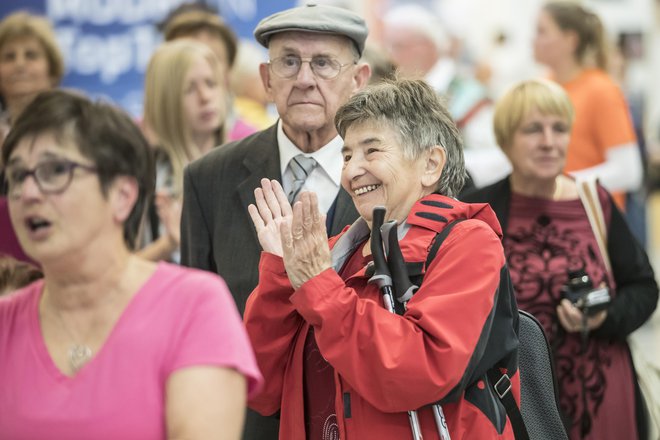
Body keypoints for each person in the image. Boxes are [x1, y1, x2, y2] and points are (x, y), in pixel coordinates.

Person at [244, 78, 520, 439]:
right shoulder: (334, 254)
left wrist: (317, 284)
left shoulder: (468, 243)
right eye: (346, 155)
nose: (351, 171)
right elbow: (261, 388)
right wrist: (283, 272)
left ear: (431, 164)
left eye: (371, 151)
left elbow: (419, 371)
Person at [0, 89, 262, 439]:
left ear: (122, 195)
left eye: (55, 171)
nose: (29, 193)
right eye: (18, 176)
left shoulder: (194, 306)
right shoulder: (7, 322)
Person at [181, 5, 370, 437]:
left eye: (323, 62)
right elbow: (197, 322)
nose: (304, 78)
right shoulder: (209, 177)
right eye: (289, 62)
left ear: (358, 80)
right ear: (267, 80)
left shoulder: (391, 176)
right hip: (248, 422)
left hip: (359, 417)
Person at [462, 79, 658, 439]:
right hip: (519, 400)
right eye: (534, 130)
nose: (549, 142)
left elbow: (644, 288)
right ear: (506, 141)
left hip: (599, 394)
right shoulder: (479, 209)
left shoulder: (593, 201)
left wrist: (604, 316)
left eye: (560, 129)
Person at [381, 3, 510, 189]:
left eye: (397, 46)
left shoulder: (469, 95)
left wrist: (433, 165)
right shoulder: (398, 91)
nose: (389, 56)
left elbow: (498, 157)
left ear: (425, 47)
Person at [533, 1, 642, 210]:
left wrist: (560, 184)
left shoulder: (601, 90)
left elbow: (629, 171)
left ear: (570, 40)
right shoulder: (544, 84)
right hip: (554, 215)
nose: (533, 40)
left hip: (591, 222)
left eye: (542, 31)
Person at [140, 39, 229, 262]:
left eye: (211, 83)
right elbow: (115, 275)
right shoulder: (143, 178)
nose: (205, 97)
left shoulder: (247, 164)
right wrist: (168, 244)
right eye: (189, 89)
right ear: (164, 101)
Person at [161, 4, 258, 142]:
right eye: (187, 61)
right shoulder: (143, 139)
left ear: (228, 72)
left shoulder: (251, 143)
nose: (204, 95)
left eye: (211, 60)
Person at [0, 11, 64, 143]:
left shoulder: (75, 128)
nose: (19, 64)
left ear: (52, 71)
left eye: (31, 55)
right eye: (9, 57)